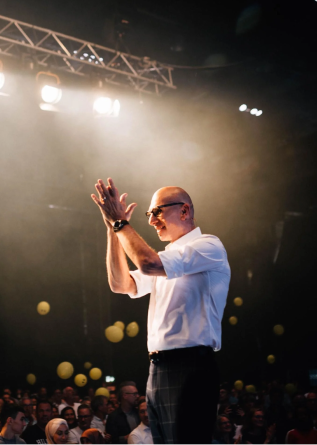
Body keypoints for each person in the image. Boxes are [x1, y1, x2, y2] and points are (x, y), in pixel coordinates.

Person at [92, 180, 231, 445]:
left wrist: (122, 223)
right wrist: (112, 228)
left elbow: (147, 263)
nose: (152, 220)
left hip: (191, 366)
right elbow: (120, 284)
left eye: (157, 211)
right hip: (159, 367)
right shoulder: (167, 258)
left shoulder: (208, 246)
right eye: (149, 215)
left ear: (184, 211)